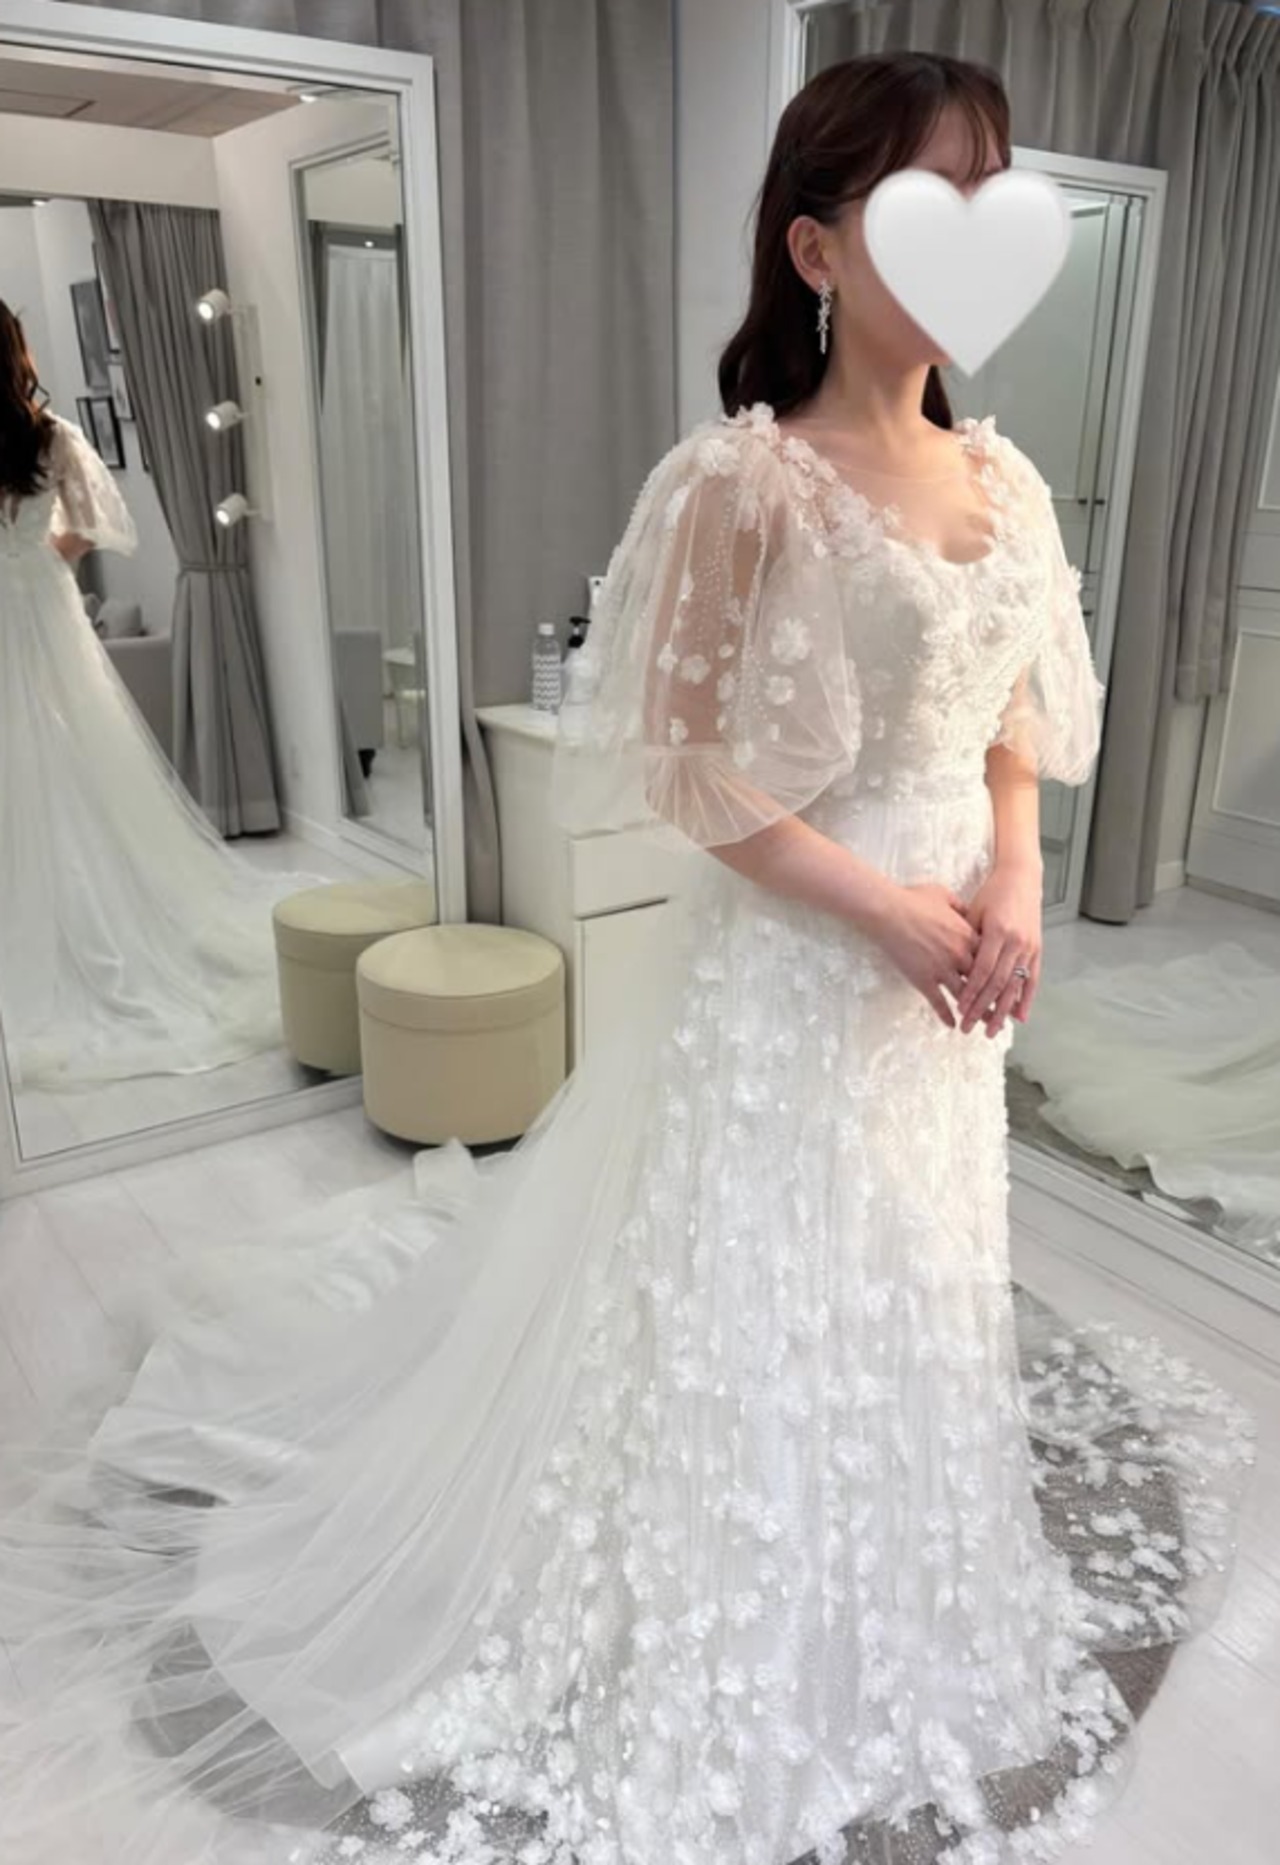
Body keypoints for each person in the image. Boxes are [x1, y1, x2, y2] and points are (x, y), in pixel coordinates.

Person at [0, 53, 1257, 1865]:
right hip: (808, 964)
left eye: (997, 195)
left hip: (951, 978)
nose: (978, 229)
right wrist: (891, 911)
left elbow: (1013, 719)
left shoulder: (1011, 480)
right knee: (766, 1284)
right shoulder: (743, 483)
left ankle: (889, 1560)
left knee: (915, 1273)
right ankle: (722, 1580)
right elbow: (684, 770)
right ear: (820, 248)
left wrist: (1016, 882)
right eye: (936, 197)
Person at [0, 301, 323, 1090]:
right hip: (41, 605)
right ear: (18, 353)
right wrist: (40, 558)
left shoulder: (52, 437)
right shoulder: (51, 436)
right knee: (72, 766)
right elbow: (98, 527)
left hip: (28, 611)